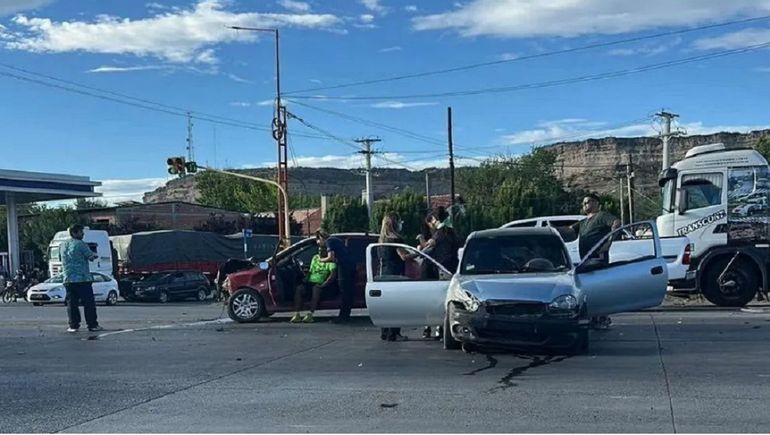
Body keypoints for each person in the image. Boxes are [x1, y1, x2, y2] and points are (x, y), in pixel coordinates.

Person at [570, 193, 621, 330]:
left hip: (598, 259)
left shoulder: (602, 216)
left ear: (597, 203)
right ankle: (594, 317)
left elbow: (616, 223)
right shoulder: (583, 222)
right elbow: (568, 230)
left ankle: (603, 318)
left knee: (600, 287)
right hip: (586, 260)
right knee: (590, 289)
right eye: (584, 203)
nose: (585, 205)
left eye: (588, 202)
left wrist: (609, 242)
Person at [419, 207, 459, 339]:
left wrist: (419, 244)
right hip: (453, 269)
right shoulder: (451, 232)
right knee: (448, 301)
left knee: (437, 301)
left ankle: (438, 329)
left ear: (435, 220)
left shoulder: (439, 234)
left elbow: (426, 248)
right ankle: (443, 329)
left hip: (441, 270)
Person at [60, 224, 102, 333]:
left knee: (72, 304)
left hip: (68, 278)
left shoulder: (63, 245)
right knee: (88, 303)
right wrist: (93, 252)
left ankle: (73, 325)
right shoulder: (81, 244)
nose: (83, 234)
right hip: (82, 278)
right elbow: (91, 257)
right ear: (74, 233)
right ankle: (92, 324)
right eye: (81, 232)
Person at [377, 212, 412, 342]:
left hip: (382, 274)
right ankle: (395, 333)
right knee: (396, 304)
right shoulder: (395, 239)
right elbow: (403, 256)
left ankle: (385, 332)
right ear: (394, 223)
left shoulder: (381, 241)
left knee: (385, 305)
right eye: (399, 221)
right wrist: (420, 253)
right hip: (395, 275)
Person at [317, 230, 355, 324]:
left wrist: (320, 260)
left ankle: (343, 317)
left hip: (344, 267)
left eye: (318, 241)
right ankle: (346, 315)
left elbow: (331, 257)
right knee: (347, 292)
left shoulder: (329, 241)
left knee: (344, 292)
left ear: (321, 238)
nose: (319, 244)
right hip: (349, 267)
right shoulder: (335, 240)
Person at [290, 246, 337, 324]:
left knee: (316, 290)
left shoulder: (330, 261)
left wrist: (324, 284)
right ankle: (297, 314)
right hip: (310, 281)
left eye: (322, 250)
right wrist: (305, 278)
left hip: (320, 283)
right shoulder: (315, 258)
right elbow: (311, 270)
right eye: (319, 250)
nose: (320, 252)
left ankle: (310, 315)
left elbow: (332, 276)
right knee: (299, 289)